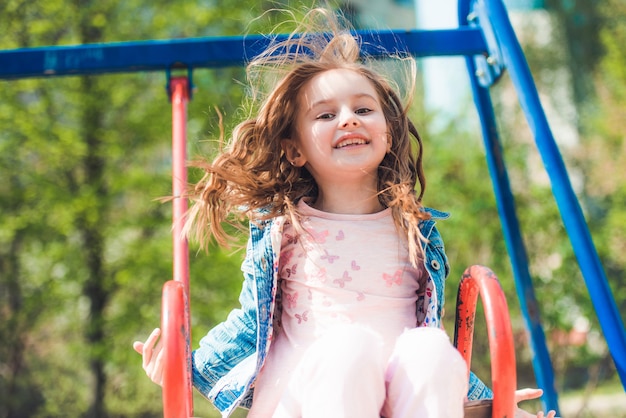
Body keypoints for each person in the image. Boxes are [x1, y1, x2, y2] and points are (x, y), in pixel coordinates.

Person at [134, 7, 557, 418]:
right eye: (325, 114)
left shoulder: (416, 232)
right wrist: (182, 366)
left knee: (429, 350)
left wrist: (494, 404)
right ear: (294, 150)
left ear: (388, 134)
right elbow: (251, 323)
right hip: (305, 395)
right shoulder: (284, 231)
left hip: (394, 401)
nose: (349, 120)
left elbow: (436, 340)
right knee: (348, 349)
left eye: (363, 109)